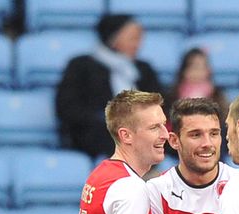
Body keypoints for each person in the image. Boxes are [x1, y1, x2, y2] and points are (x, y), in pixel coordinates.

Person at [56, 14, 163, 159]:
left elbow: (160, 104)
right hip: (95, 138)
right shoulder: (81, 66)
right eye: (132, 38)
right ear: (113, 38)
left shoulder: (144, 69)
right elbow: (68, 108)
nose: (138, 43)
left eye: (139, 38)